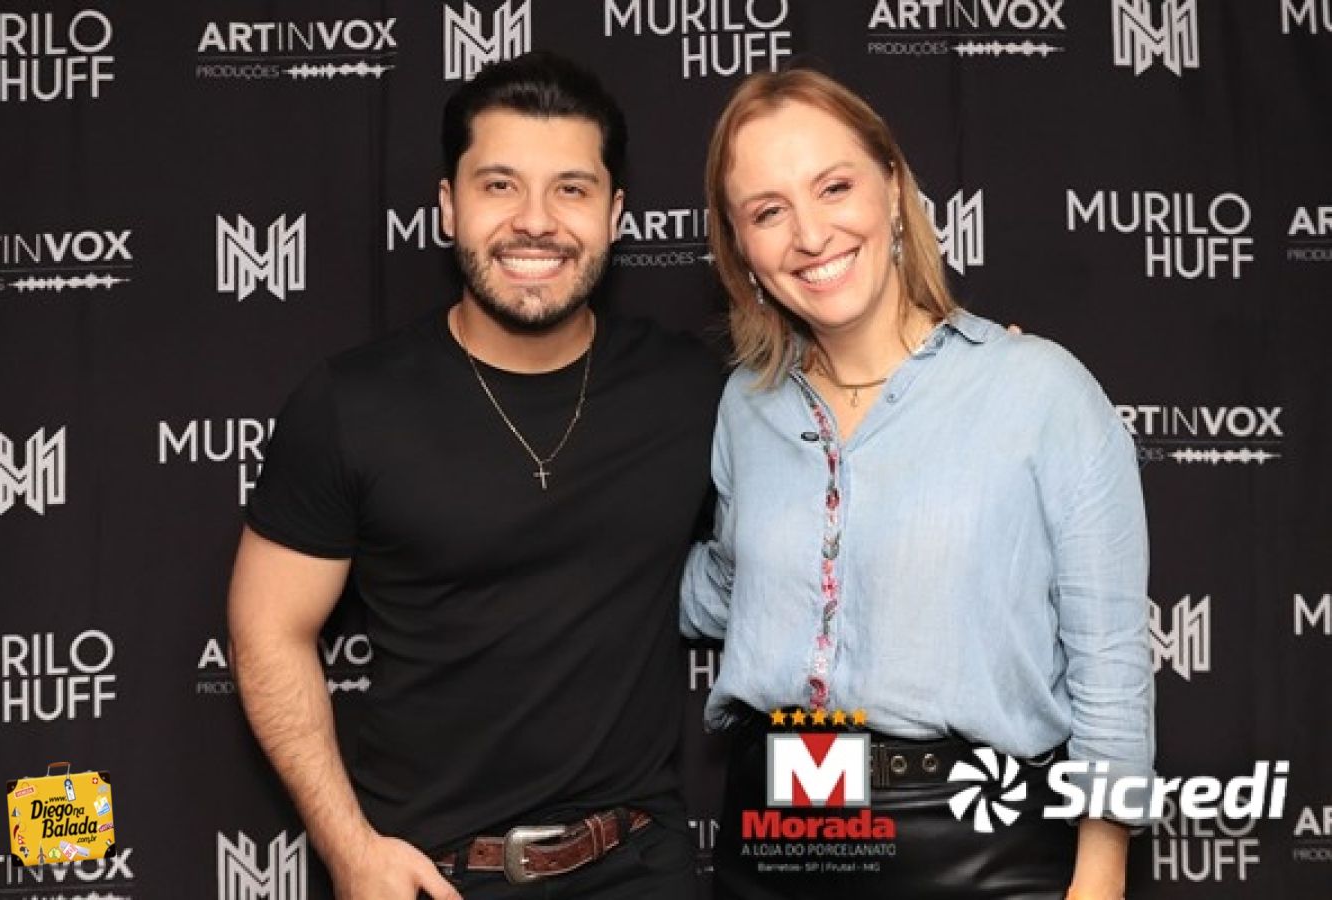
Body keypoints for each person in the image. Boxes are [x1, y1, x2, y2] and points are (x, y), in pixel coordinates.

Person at [227, 52, 720, 900]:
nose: (536, 222)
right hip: (436, 878)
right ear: (449, 205)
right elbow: (267, 629)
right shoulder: (352, 403)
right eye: (499, 186)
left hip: (642, 865)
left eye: (571, 189)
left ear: (615, 214)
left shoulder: (692, 390)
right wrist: (350, 850)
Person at [681, 69, 1153, 899]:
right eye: (768, 211)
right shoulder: (746, 409)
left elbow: (1110, 662)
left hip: (980, 848)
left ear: (893, 189)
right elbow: (717, 589)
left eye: (834, 187)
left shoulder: (1039, 389)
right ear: (740, 246)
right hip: (771, 842)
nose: (810, 234)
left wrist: (1102, 874)